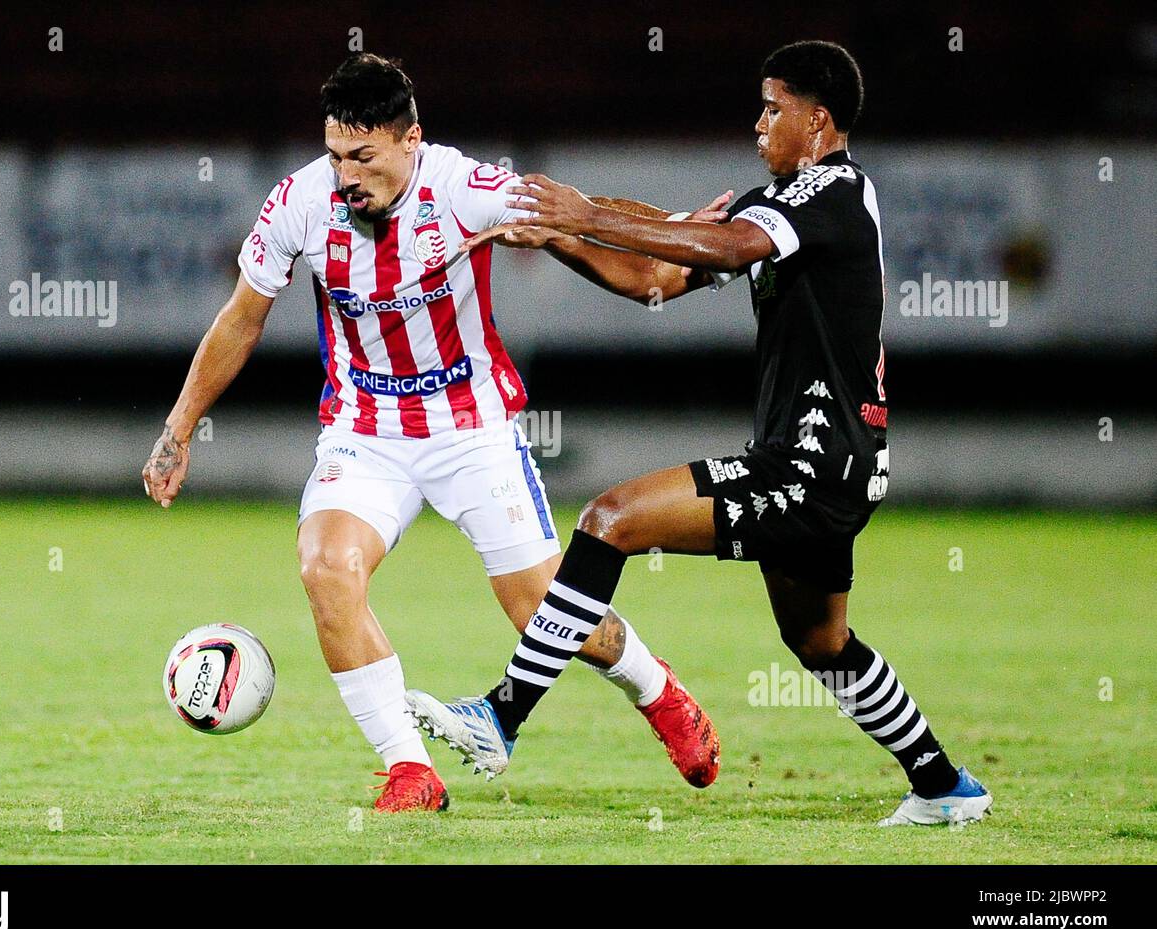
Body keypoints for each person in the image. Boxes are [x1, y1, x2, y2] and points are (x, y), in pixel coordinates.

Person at [406, 41, 993, 826]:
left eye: (773, 107)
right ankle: (944, 786)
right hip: (836, 466)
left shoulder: (835, 191)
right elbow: (656, 278)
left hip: (808, 465)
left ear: (818, 121)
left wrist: (587, 211)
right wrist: (566, 238)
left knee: (608, 520)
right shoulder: (790, 203)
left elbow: (726, 245)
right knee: (821, 644)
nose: (758, 123)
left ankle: (501, 716)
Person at [142, 53, 721, 813]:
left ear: (412, 139)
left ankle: (658, 691)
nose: (347, 176)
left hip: (470, 424)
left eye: (365, 157)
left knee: (542, 610)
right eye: (336, 156)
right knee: (326, 567)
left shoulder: (462, 188)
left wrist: (676, 235)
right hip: (364, 432)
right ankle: (409, 771)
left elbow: (574, 214)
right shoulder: (299, 205)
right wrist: (179, 426)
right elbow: (242, 317)